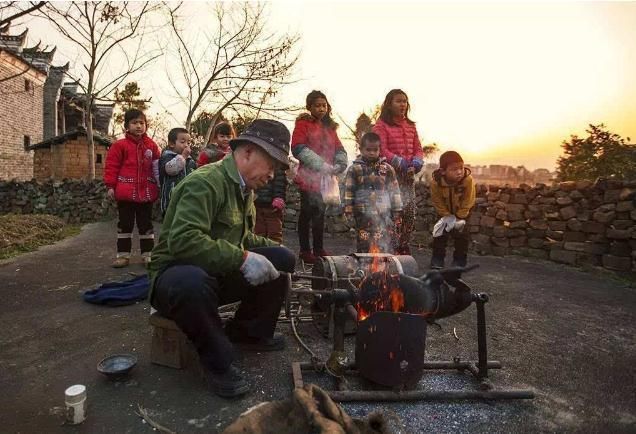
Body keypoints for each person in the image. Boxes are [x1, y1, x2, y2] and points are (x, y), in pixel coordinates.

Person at [148, 119, 296, 398]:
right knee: (191, 282)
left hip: (213, 273)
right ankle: (217, 361)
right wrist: (242, 259)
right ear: (248, 152)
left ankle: (249, 332)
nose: (273, 174)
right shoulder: (205, 182)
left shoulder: (244, 190)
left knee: (282, 258)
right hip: (176, 276)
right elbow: (183, 241)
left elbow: (242, 239)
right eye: (272, 164)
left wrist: (273, 251)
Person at [291, 90, 348, 264]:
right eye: (317, 105)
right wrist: (321, 165)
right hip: (309, 177)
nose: (321, 108)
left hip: (326, 178)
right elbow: (298, 147)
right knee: (307, 213)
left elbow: (339, 148)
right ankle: (305, 250)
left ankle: (318, 248)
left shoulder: (330, 127)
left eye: (324, 105)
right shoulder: (303, 124)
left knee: (320, 213)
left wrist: (340, 163)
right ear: (310, 107)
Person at [104, 109, 160, 267]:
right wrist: (110, 186)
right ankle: (123, 256)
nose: (138, 126)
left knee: (146, 225)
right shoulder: (119, 146)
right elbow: (111, 167)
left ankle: (148, 255)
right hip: (125, 194)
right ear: (126, 126)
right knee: (125, 224)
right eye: (134, 123)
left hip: (146, 194)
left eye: (141, 123)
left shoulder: (152, 146)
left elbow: (156, 167)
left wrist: (160, 184)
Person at [372, 89, 424, 255]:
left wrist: (417, 161)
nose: (403, 104)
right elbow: (380, 149)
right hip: (388, 177)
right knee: (392, 212)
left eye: (405, 101)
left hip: (407, 176)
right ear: (389, 104)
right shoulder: (381, 126)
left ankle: (403, 245)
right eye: (398, 101)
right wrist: (397, 161)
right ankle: (390, 246)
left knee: (409, 212)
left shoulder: (411, 126)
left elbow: (418, 148)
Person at [344, 132, 403, 253]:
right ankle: (364, 266)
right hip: (362, 213)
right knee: (364, 241)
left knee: (381, 241)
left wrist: (397, 210)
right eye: (368, 149)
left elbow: (394, 190)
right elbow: (349, 190)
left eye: (375, 150)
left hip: (382, 212)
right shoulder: (354, 169)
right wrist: (348, 210)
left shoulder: (387, 169)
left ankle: (379, 268)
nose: (371, 152)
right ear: (361, 149)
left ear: (380, 150)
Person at [430, 150, 475, 269]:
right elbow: (437, 201)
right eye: (454, 169)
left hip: (462, 213)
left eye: (461, 167)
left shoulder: (467, 180)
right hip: (444, 213)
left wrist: (460, 216)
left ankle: (459, 262)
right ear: (443, 171)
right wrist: (446, 216)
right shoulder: (436, 183)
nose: (459, 172)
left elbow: (468, 199)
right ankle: (437, 260)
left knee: (461, 238)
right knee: (439, 236)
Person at [159, 128, 196, 217]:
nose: (186, 145)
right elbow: (170, 170)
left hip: (187, 201)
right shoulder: (167, 157)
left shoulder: (190, 161)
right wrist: (183, 156)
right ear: (172, 143)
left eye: (188, 143)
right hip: (171, 201)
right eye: (183, 142)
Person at [253, 167, 287, 243]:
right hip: (256, 203)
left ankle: (274, 252)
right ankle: (261, 251)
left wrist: (278, 197)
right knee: (258, 232)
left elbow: (280, 182)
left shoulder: (277, 164)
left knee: (274, 233)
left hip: (272, 205)